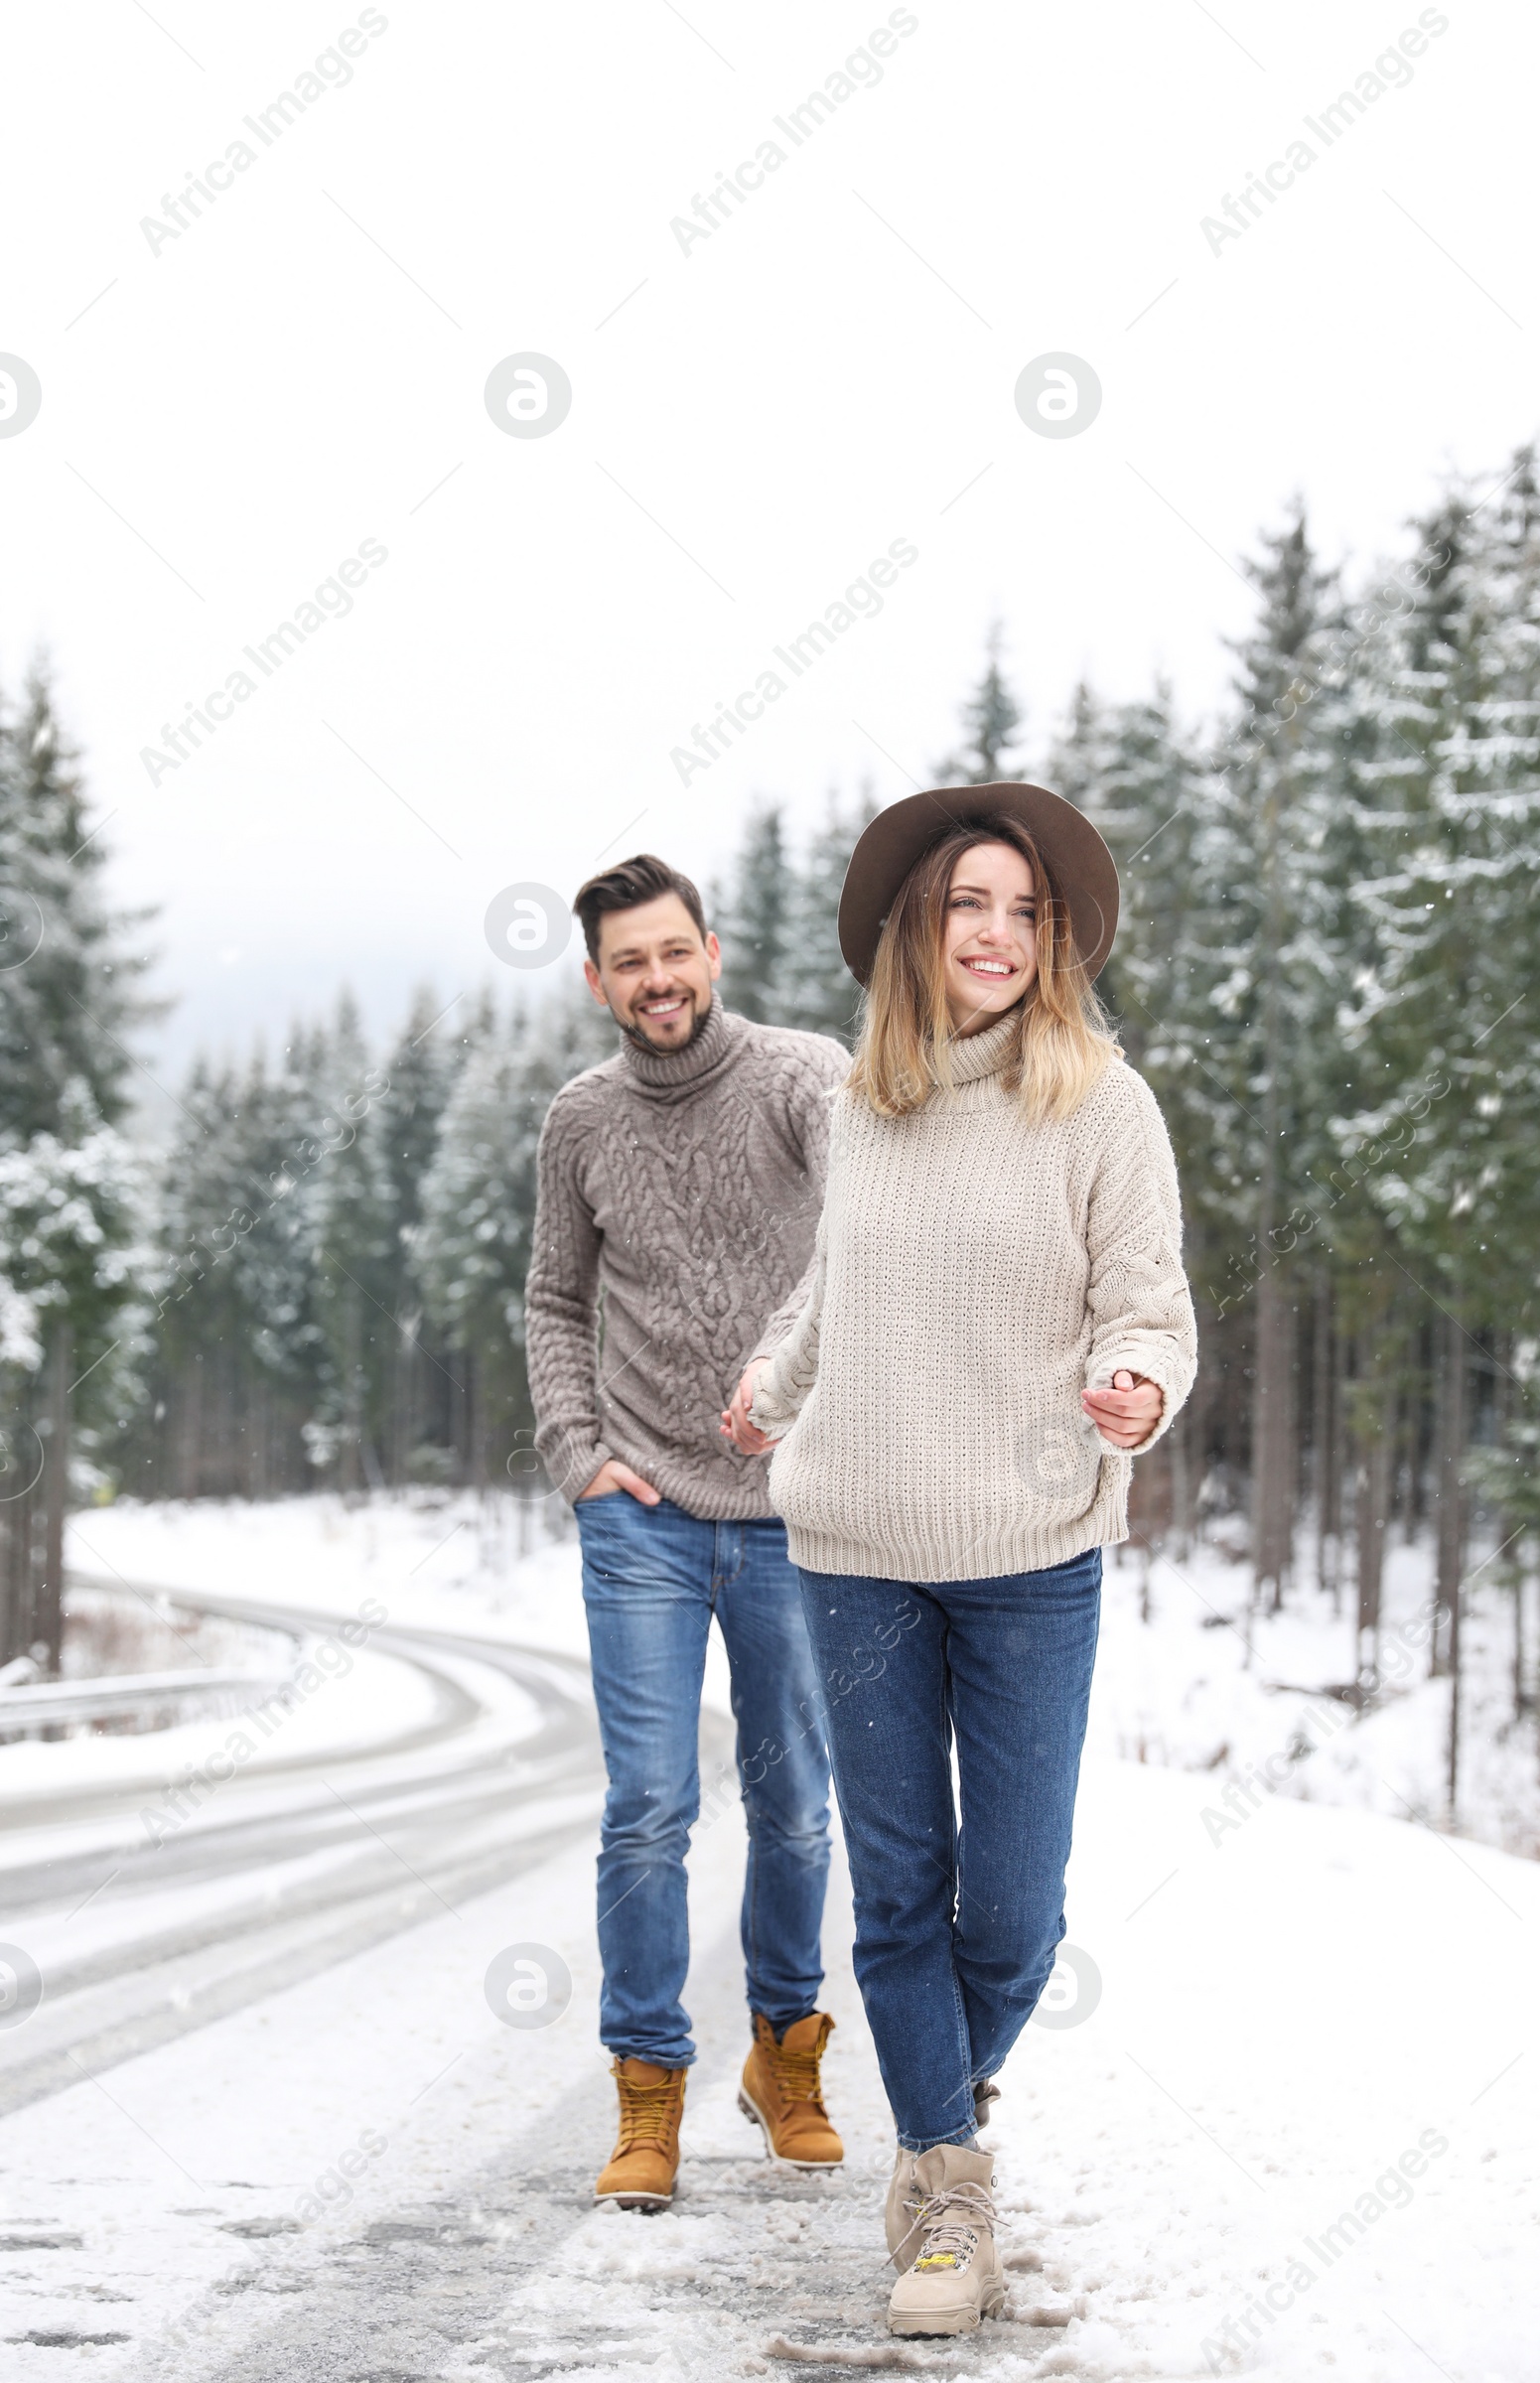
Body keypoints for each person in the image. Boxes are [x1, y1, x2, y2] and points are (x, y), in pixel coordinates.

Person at [726, 784, 1196, 2335]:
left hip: (1032, 1545)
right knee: (897, 1887)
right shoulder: (872, 1103)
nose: (995, 936)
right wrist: (772, 1385)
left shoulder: (1101, 1103)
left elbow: (1148, 1304)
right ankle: (949, 2185)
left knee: (1012, 1913)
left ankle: (939, 2105)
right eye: (967, 907)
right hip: (853, 1542)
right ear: (917, 933)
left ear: (1051, 939)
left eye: (1024, 911)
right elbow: (833, 1290)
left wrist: (1138, 1384)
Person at [526, 852, 852, 2211]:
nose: (657, 980)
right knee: (647, 1810)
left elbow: (865, 1237)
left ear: (712, 952)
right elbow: (554, 1301)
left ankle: (785, 2058)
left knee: (794, 1809)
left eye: (676, 952)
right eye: (629, 962)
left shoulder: (798, 1078)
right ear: (597, 979)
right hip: (643, 1518)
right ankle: (647, 2092)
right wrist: (578, 1456)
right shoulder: (581, 1122)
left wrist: (791, 1388)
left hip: (793, 1515)